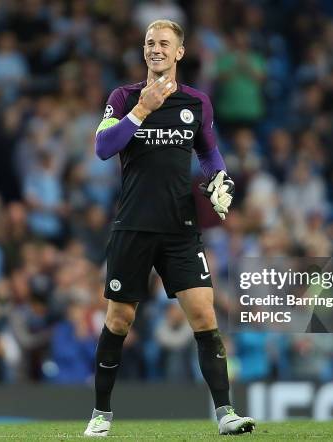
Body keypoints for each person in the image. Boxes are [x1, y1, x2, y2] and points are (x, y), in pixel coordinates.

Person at [83, 19, 254, 437]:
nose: (155, 49)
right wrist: (142, 109)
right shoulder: (123, 98)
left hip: (180, 228)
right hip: (134, 226)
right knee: (119, 319)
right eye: (149, 43)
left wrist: (219, 181)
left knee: (203, 314)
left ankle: (226, 413)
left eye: (164, 43)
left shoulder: (197, 103)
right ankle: (101, 414)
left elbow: (210, 154)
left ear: (179, 53)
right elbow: (104, 148)